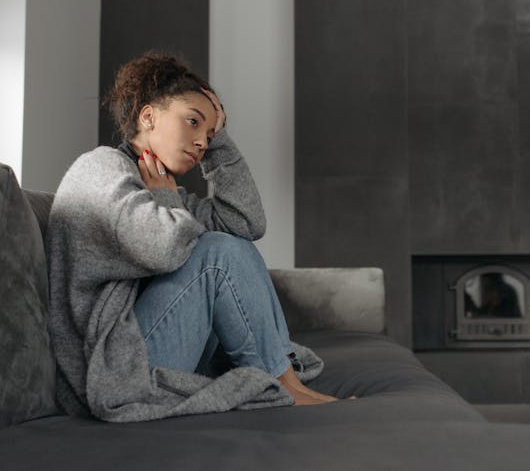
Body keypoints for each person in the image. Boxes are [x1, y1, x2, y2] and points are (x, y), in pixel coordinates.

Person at [47, 52, 338, 422]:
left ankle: (290, 384)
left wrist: (221, 142)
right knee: (216, 253)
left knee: (229, 243)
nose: (201, 142)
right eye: (192, 122)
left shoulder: (161, 191)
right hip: (112, 371)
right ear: (148, 117)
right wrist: (167, 199)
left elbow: (244, 223)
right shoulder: (100, 168)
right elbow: (164, 250)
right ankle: (282, 385)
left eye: (210, 135)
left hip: (143, 349)